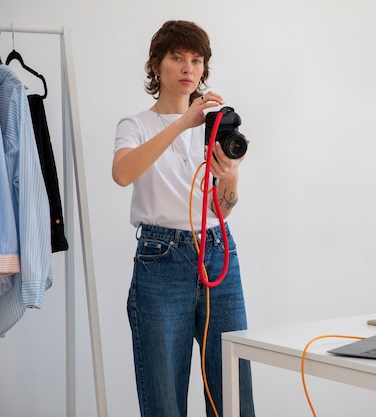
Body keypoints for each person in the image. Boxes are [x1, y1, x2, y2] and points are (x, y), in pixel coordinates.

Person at [112, 20, 255, 417]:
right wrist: (182, 124)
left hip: (218, 252)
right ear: (157, 66)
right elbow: (123, 174)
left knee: (233, 394)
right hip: (161, 261)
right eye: (177, 58)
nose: (188, 68)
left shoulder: (216, 129)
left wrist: (232, 174)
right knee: (164, 398)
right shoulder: (136, 125)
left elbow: (220, 208)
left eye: (196, 60)